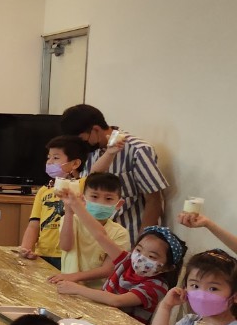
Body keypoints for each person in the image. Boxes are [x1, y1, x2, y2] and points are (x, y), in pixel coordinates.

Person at [53, 212, 186, 323]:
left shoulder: (156, 286)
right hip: (101, 318)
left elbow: (116, 300)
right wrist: (75, 204)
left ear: (168, 268)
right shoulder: (127, 260)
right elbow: (100, 236)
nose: (140, 258)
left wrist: (77, 289)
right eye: (138, 250)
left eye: (151, 256)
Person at [60, 104, 167, 240]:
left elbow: (154, 200)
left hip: (128, 236)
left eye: (82, 140)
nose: (81, 145)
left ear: (96, 129)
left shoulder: (137, 150)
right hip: (94, 238)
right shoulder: (90, 152)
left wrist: (143, 241)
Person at [15, 136, 90, 268]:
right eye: (48, 157)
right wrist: (25, 248)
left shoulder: (83, 185)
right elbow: (34, 224)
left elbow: (97, 170)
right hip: (43, 253)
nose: (49, 162)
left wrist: (110, 151)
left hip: (69, 254)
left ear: (75, 164)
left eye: (55, 158)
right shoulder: (43, 190)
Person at [54, 173, 131, 283]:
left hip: (98, 290)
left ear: (119, 204)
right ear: (83, 198)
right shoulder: (72, 219)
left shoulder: (120, 233)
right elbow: (65, 246)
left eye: (109, 198)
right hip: (66, 285)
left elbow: (108, 269)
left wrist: (74, 277)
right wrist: (69, 213)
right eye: (94, 197)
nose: (101, 203)